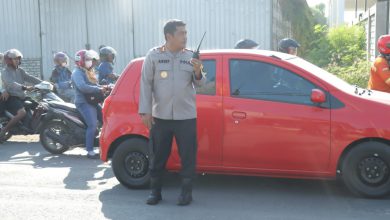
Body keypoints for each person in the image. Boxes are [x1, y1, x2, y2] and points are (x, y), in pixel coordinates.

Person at [139, 19, 206, 206]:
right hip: (161, 116)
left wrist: (198, 70)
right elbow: (146, 84)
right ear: (169, 36)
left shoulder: (191, 56)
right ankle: (155, 191)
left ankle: (186, 193)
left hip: (186, 117)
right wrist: (145, 112)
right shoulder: (153, 56)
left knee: (188, 155)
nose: (185, 36)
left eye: (186, 32)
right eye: (181, 33)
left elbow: (200, 84)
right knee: (158, 154)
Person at [71, 49, 107, 159]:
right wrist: (99, 89)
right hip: (84, 102)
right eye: (87, 60)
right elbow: (83, 87)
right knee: (92, 125)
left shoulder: (88, 71)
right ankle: (90, 150)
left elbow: (96, 84)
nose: (90, 62)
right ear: (81, 61)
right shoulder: (77, 73)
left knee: (106, 119)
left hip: (92, 101)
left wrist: (105, 86)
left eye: (90, 60)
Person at [0, 49, 42, 139]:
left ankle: (32, 126)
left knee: (41, 107)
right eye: (15, 59)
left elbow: (30, 78)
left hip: (22, 96)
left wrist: (44, 83)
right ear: (9, 61)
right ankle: (4, 130)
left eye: (18, 59)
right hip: (12, 97)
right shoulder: (5, 72)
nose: (18, 61)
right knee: (21, 113)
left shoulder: (20, 71)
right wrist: (25, 87)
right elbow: (11, 84)